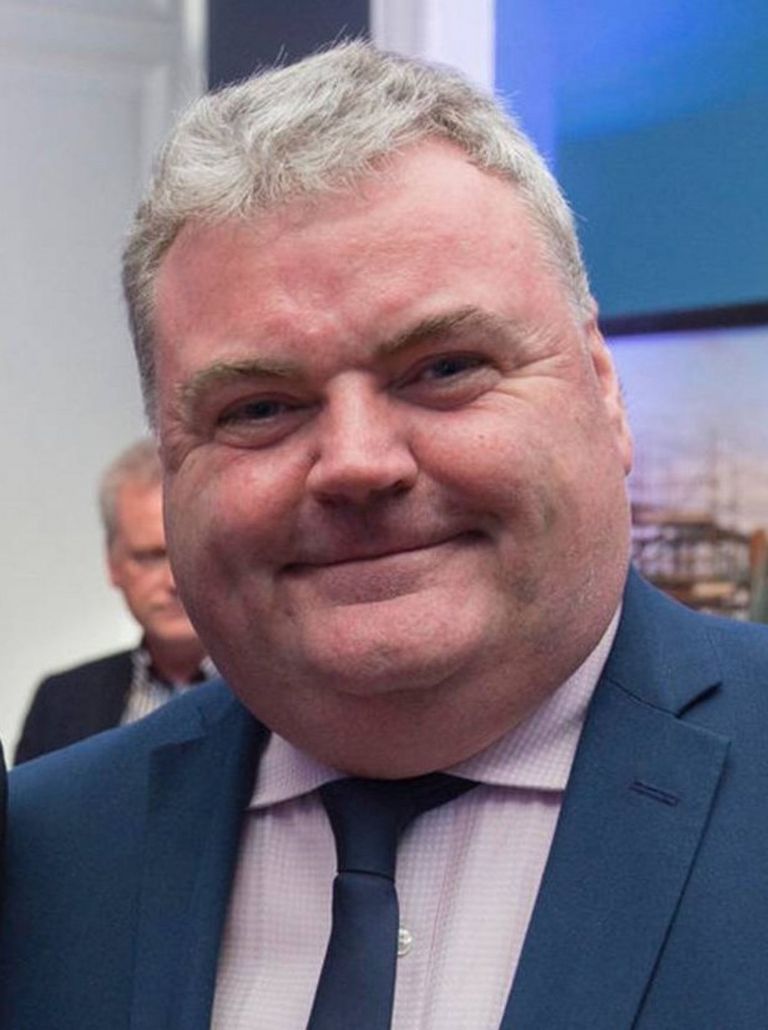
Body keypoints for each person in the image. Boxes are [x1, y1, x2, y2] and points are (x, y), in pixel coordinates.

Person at [3, 41, 768, 1030]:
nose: (357, 464)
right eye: (259, 408)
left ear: (603, 386)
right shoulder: (45, 857)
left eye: (444, 368)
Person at [14, 439, 214, 764]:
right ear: (113, 565)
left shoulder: (279, 686)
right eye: (149, 557)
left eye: (187, 553)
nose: (173, 581)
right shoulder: (61, 701)